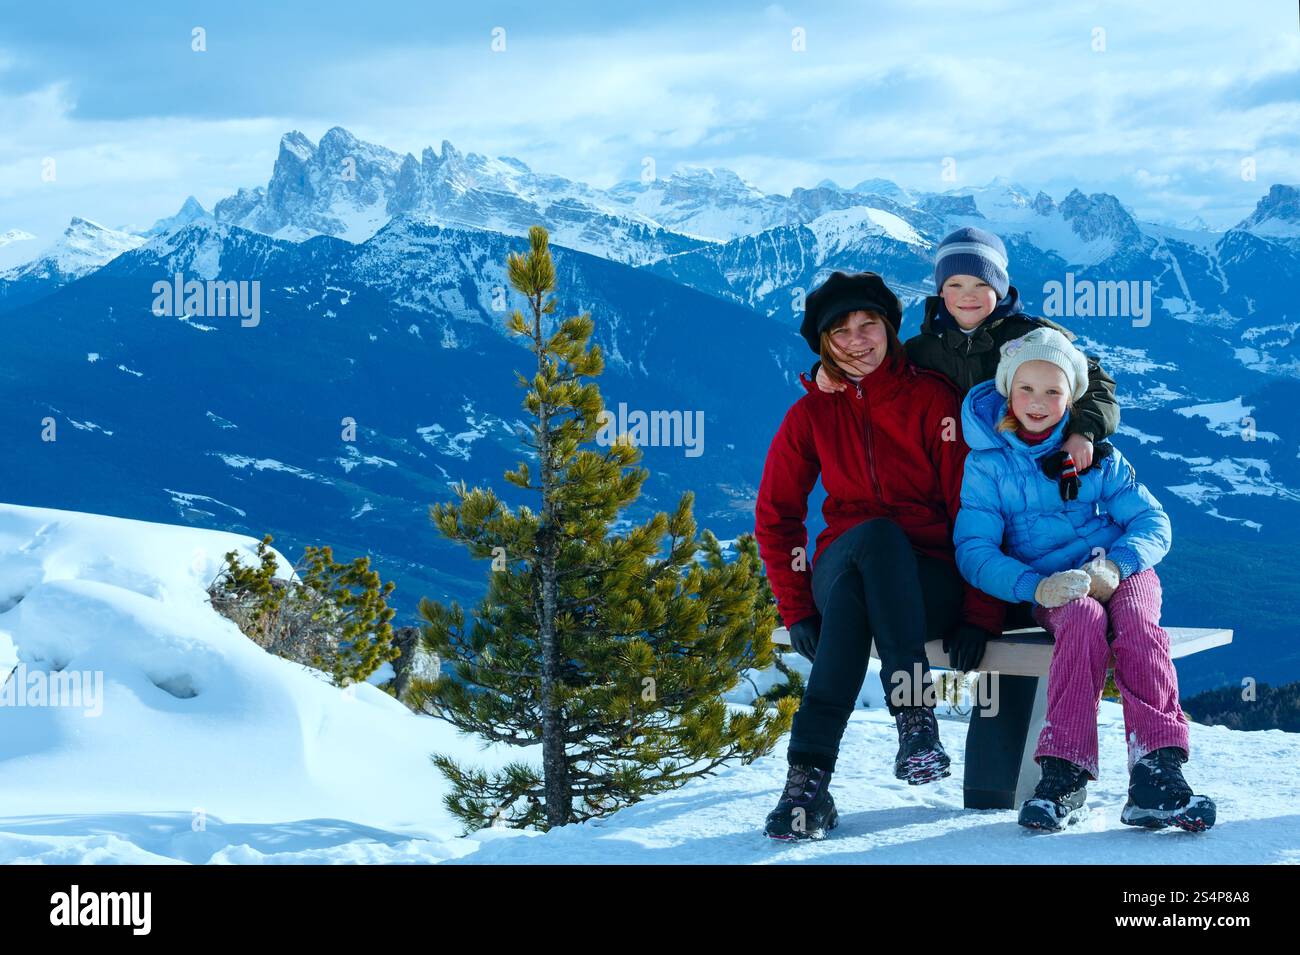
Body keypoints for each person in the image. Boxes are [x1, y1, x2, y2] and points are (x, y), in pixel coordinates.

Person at [754, 270, 1004, 841]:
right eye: (840, 332)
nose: (857, 340)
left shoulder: (932, 399)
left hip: (929, 582)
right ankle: (915, 719)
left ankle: (806, 785)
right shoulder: (809, 414)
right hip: (844, 559)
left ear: (890, 330)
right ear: (824, 344)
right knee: (875, 536)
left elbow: (977, 511)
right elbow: (776, 516)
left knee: (852, 604)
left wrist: (980, 615)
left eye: (868, 325)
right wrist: (795, 610)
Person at [810, 227, 1122, 670]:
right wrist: (824, 374)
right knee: (979, 561)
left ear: (1000, 286)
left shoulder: (1036, 337)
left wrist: (1083, 432)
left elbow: (1099, 388)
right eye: (954, 284)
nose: (967, 295)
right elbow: (867, 366)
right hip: (965, 503)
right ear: (940, 289)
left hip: (1032, 498)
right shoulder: (920, 349)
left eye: (981, 284)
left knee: (1026, 642)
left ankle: (1048, 714)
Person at [954, 327, 1216, 832]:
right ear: (1008, 390)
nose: (1038, 402)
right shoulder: (986, 466)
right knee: (1080, 621)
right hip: (1055, 584)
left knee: (1138, 623)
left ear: (1071, 397)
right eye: (1026, 388)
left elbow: (1153, 522)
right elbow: (975, 551)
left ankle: (1156, 770)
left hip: (1119, 565)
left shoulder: (1097, 454)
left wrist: (1117, 565)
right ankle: (1064, 774)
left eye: (1053, 391)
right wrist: (1035, 587)